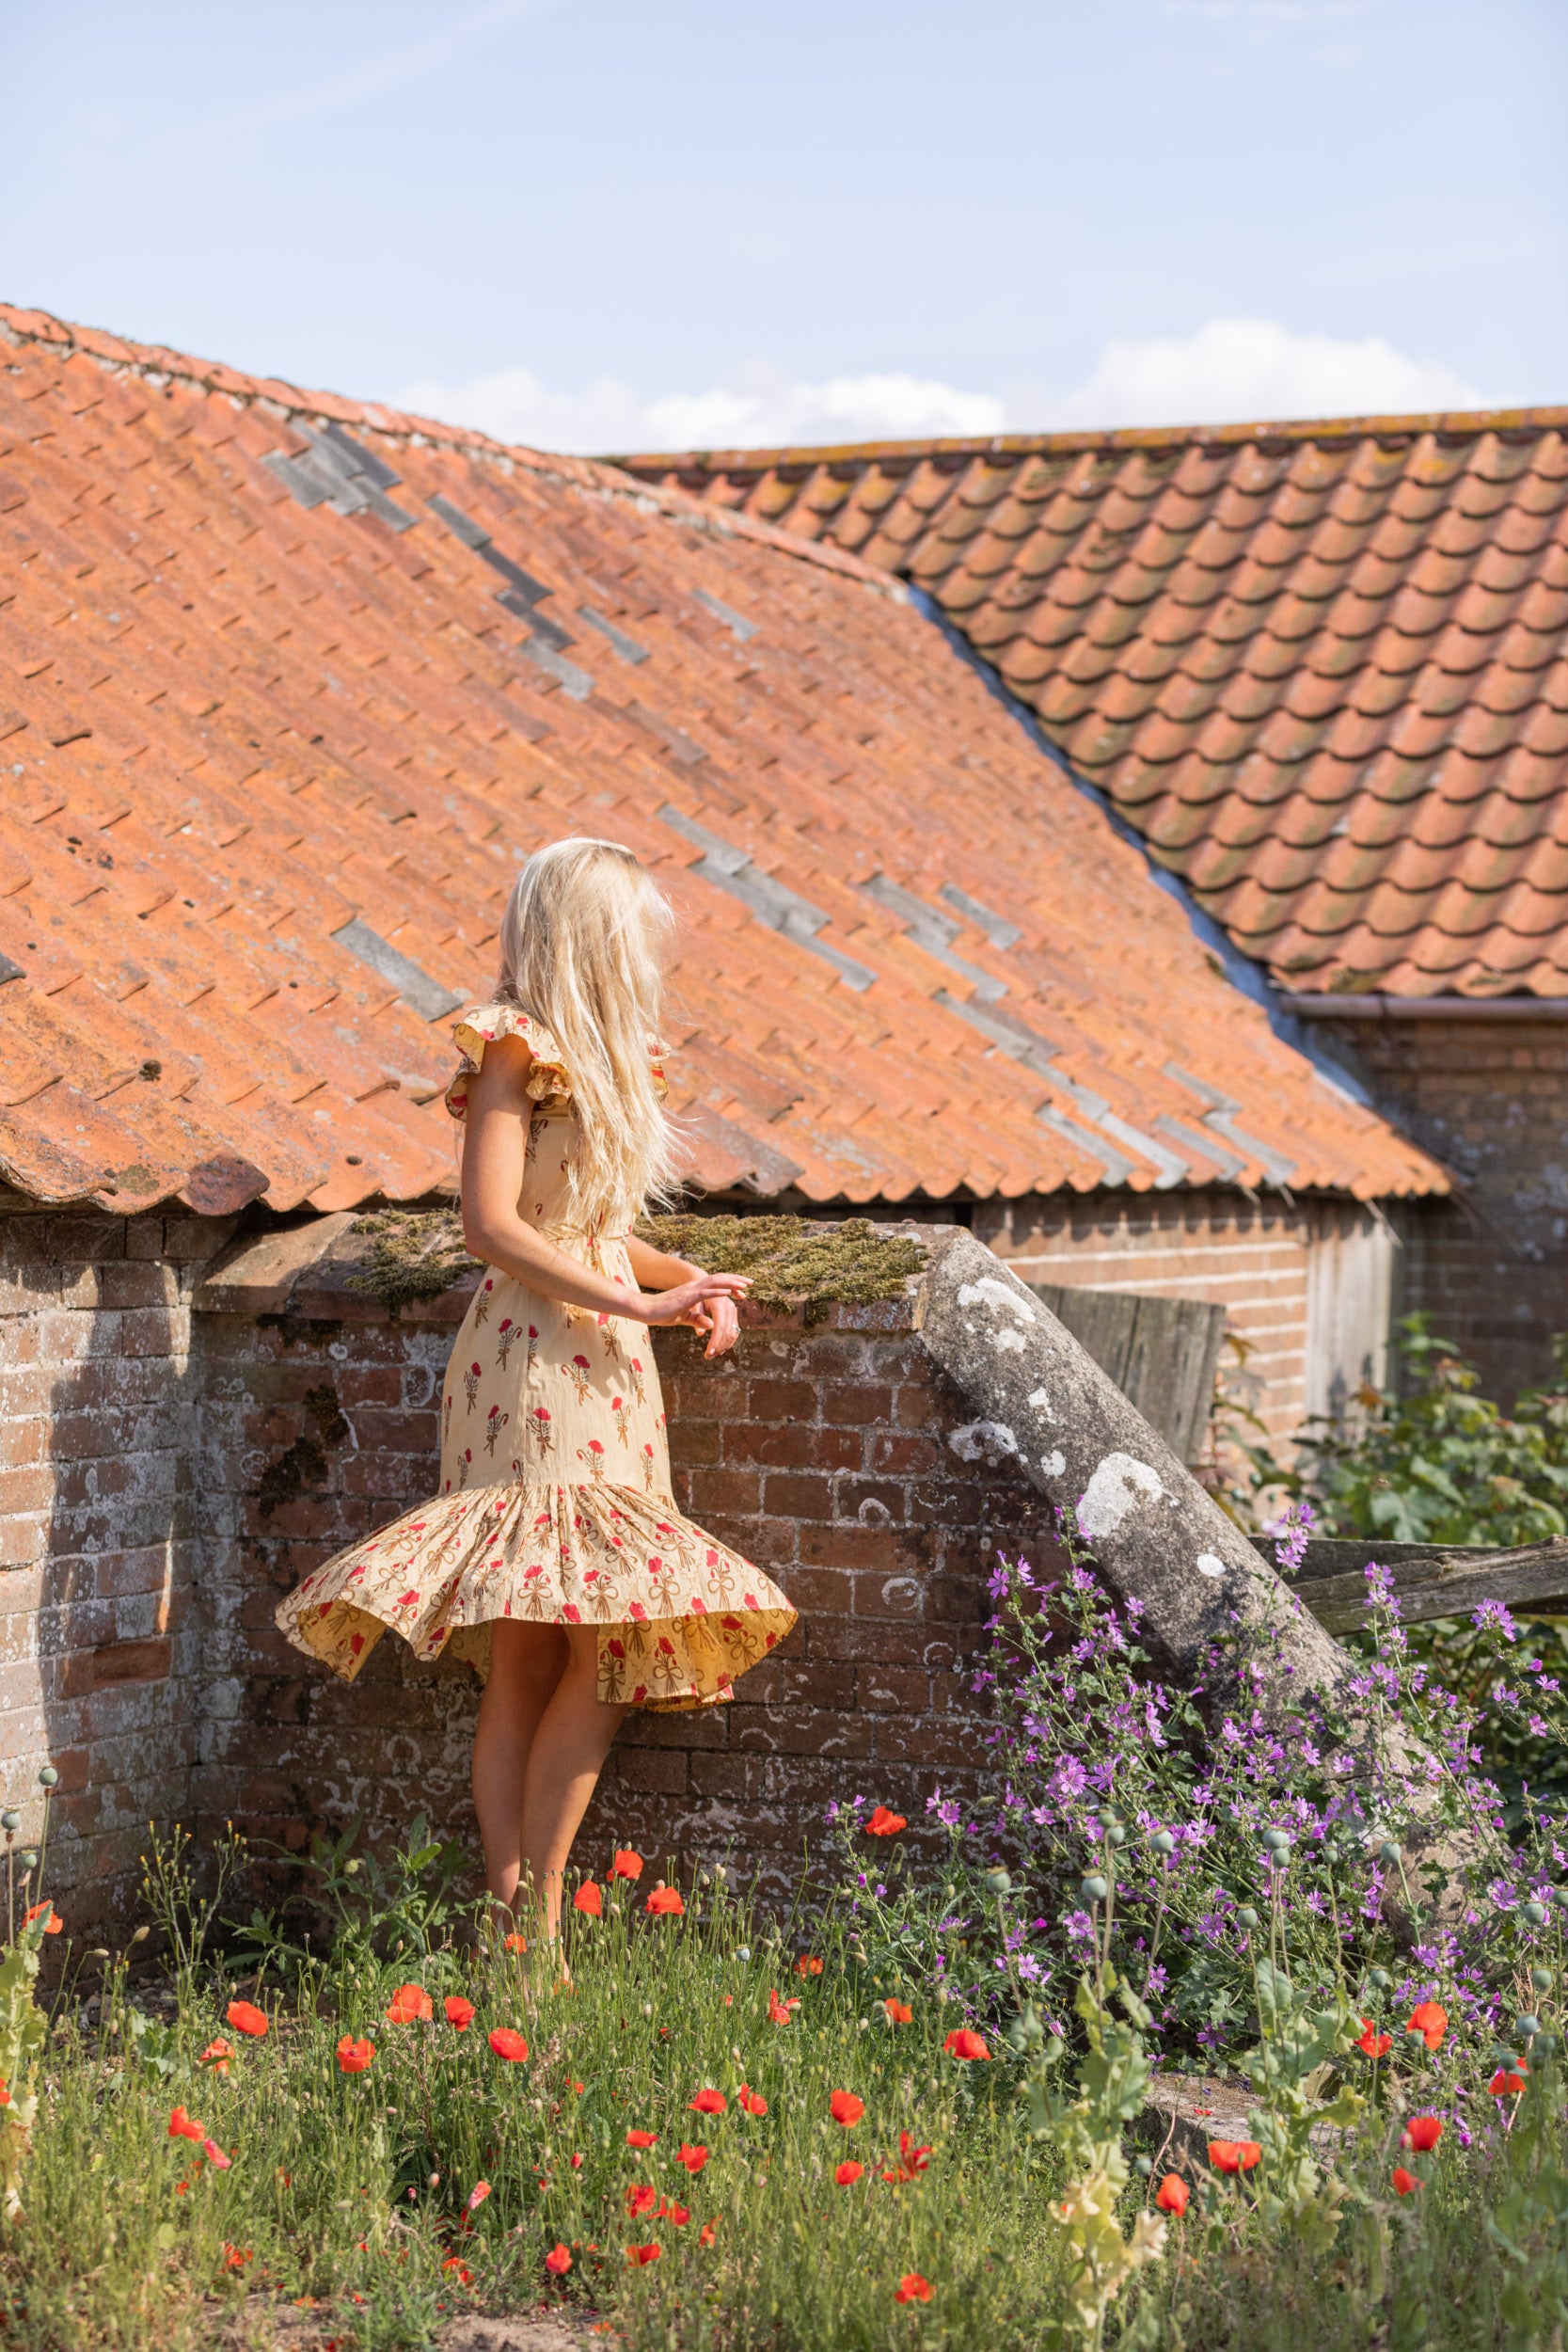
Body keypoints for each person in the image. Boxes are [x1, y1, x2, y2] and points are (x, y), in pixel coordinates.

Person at [277, 838, 797, 1944]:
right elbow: (492, 1227)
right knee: (558, 1652)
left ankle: (516, 1928)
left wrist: (684, 1282)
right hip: (531, 1365)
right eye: (638, 934)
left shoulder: (611, 1060)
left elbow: (598, 1236)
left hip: (605, 1364)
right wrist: (643, 1307)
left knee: (570, 1646)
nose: (652, 954)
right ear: (599, 938)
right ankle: (535, 1919)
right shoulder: (514, 1049)